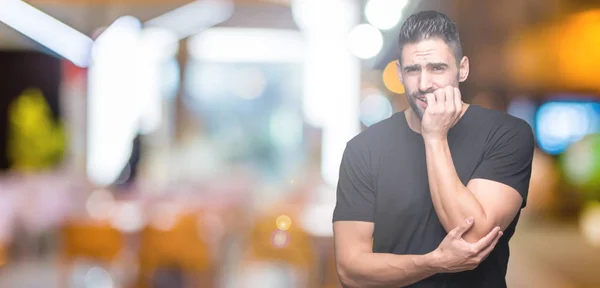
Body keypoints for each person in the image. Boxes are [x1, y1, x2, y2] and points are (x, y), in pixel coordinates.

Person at [332, 10, 534, 288]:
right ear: (400, 73)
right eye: (413, 70)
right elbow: (350, 269)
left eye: (437, 68)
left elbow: (472, 238)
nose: (424, 84)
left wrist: (435, 137)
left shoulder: (507, 134)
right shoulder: (363, 149)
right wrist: (433, 262)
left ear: (462, 69)